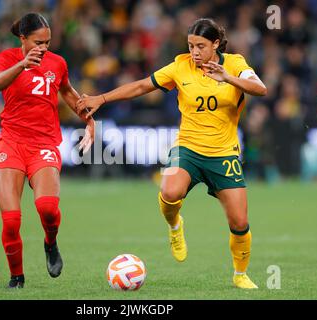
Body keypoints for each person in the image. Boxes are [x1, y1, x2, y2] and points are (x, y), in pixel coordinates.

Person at [77, 18, 267, 289]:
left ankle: (240, 274)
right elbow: (143, 86)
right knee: (169, 192)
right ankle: (175, 225)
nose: (195, 52)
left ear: (216, 44)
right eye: (191, 45)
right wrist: (102, 98)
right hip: (187, 148)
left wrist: (228, 78)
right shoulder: (180, 66)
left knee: (239, 221)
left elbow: (261, 89)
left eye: (201, 46)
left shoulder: (236, 64)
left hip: (224, 153)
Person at [0, 13, 94, 289]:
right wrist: (23, 65)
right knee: (11, 220)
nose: (44, 47)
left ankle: (51, 242)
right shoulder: (6, 58)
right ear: (23, 39)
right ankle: (17, 278)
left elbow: (69, 93)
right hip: (11, 142)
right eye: (39, 42)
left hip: (43, 144)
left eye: (48, 41)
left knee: (47, 208)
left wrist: (89, 120)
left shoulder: (57, 63)